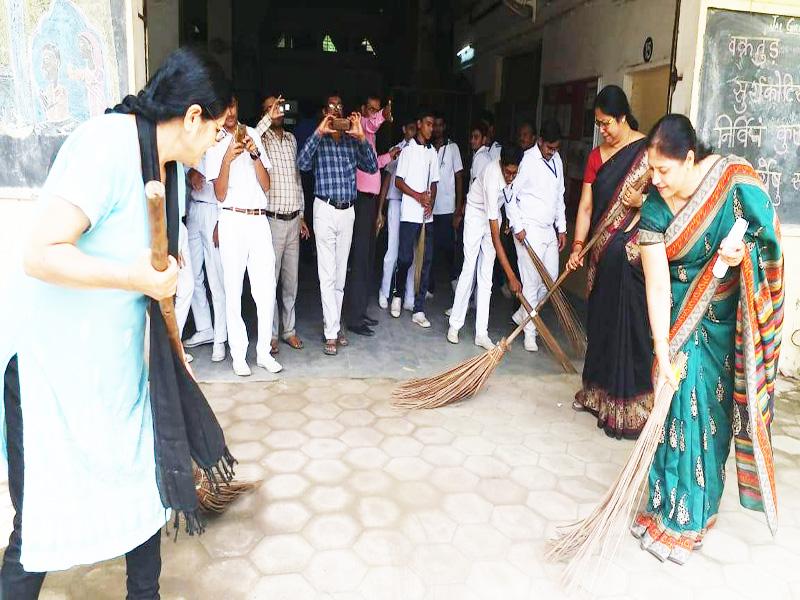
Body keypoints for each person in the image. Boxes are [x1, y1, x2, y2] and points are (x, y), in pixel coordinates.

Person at [0, 47, 230, 599]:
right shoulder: (105, 146)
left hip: (116, 379)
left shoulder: (163, 168)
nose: (216, 142)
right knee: (38, 530)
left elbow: (154, 283)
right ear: (193, 116)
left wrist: (175, 358)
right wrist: (139, 279)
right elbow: (40, 254)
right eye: (217, 129)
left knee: (143, 501)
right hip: (53, 380)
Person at [633, 114, 783, 564]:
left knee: (704, 414)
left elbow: (766, 241)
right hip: (677, 319)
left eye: (664, 170)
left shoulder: (733, 184)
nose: (654, 179)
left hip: (720, 322)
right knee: (671, 408)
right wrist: (661, 344)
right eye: (651, 168)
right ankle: (663, 508)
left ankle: (691, 521)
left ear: (691, 159)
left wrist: (744, 253)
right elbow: (658, 284)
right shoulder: (655, 209)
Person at [566, 85, 653, 438]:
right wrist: (577, 246)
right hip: (600, 256)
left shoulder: (648, 151)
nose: (602, 130)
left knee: (628, 326)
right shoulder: (596, 157)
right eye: (598, 124)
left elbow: (667, 202)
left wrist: (640, 202)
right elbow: (586, 207)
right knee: (600, 323)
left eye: (606, 123)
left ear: (622, 118)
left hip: (631, 259)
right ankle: (595, 395)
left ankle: (629, 404)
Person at [206, 97, 282, 376]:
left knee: (265, 288)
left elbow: (267, 185)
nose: (229, 113)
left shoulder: (252, 134)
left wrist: (254, 154)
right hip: (231, 218)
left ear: (237, 108)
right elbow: (220, 193)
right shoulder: (213, 142)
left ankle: (263, 352)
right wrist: (227, 157)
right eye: (224, 109)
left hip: (257, 219)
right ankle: (238, 354)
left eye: (233, 107)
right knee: (233, 288)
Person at [297, 94, 377, 356]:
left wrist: (361, 135)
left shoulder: (352, 142)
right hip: (324, 208)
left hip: (348, 211)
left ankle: (334, 325)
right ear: (323, 112)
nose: (335, 111)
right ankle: (331, 331)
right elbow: (302, 163)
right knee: (327, 274)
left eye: (339, 107)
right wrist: (320, 131)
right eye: (330, 107)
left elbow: (373, 167)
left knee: (341, 273)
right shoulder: (319, 140)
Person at [448, 144, 524, 349]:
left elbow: (509, 201)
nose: (510, 177)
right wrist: (511, 276)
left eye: (514, 173)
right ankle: (455, 324)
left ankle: (481, 333)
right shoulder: (492, 175)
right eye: (508, 172)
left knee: (486, 275)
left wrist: (515, 225)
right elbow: (495, 235)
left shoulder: (514, 173)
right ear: (501, 165)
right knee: (469, 268)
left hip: (493, 215)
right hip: (475, 213)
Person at [256, 94, 311, 354]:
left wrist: (302, 216)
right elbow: (252, 136)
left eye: (279, 107)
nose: (277, 112)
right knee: (270, 280)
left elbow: (297, 179)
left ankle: (289, 330)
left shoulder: (291, 140)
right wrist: (268, 117)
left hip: (292, 220)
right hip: (272, 220)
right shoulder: (260, 139)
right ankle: (271, 333)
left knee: (291, 281)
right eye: (270, 109)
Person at [508, 119, 567, 352]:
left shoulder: (557, 160)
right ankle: (529, 334)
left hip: (548, 229)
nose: (552, 152)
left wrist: (561, 227)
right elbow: (511, 194)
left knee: (550, 281)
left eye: (556, 148)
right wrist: (517, 225)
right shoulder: (527, 160)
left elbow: (559, 195)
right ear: (539, 141)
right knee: (531, 283)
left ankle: (523, 314)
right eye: (549, 148)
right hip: (528, 229)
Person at [345, 94, 397, 337]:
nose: (375, 114)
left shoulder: (371, 135)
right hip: (361, 201)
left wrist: (390, 156)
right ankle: (354, 319)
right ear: (363, 110)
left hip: (370, 200)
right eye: (372, 110)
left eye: (378, 109)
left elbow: (373, 163)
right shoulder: (362, 127)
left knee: (367, 260)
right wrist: (384, 114)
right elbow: (372, 123)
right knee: (359, 259)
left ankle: (360, 311)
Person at [390, 108, 440, 327]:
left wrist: (431, 202)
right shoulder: (408, 149)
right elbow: (398, 182)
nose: (431, 128)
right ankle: (398, 294)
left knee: (426, 261)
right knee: (404, 259)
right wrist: (418, 196)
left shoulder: (433, 152)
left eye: (433, 125)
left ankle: (419, 309)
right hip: (409, 213)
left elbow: (435, 183)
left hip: (425, 217)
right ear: (419, 124)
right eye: (428, 124)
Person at [180, 156, 228, 362]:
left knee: (216, 276)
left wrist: (221, 219)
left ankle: (220, 337)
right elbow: (179, 166)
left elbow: (230, 184)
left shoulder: (224, 140)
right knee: (192, 274)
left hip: (213, 211)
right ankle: (204, 327)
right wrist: (189, 172)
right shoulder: (194, 138)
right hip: (193, 207)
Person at [377, 116, 417, 310]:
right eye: (410, 129)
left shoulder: (419, 152)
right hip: (395, 202)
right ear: (404, 129)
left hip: (413, 205)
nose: (412, 133)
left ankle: (409, 297)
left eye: (414, 130)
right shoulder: (397, 150)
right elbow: (386, 180)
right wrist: (380, 211)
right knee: (392, 250)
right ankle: (384, 292)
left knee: (409, 253)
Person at [430, 112, 464, 296]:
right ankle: (429, 286)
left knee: (449, 248)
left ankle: (454, 281)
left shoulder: (453, 148)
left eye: (440, 125)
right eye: (434, 125)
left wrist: (458, 207)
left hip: (448, 207)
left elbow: (459, 177)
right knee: (431, 249)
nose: (436, 129)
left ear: (445, 127)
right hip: (430, 208)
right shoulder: (427, 148)